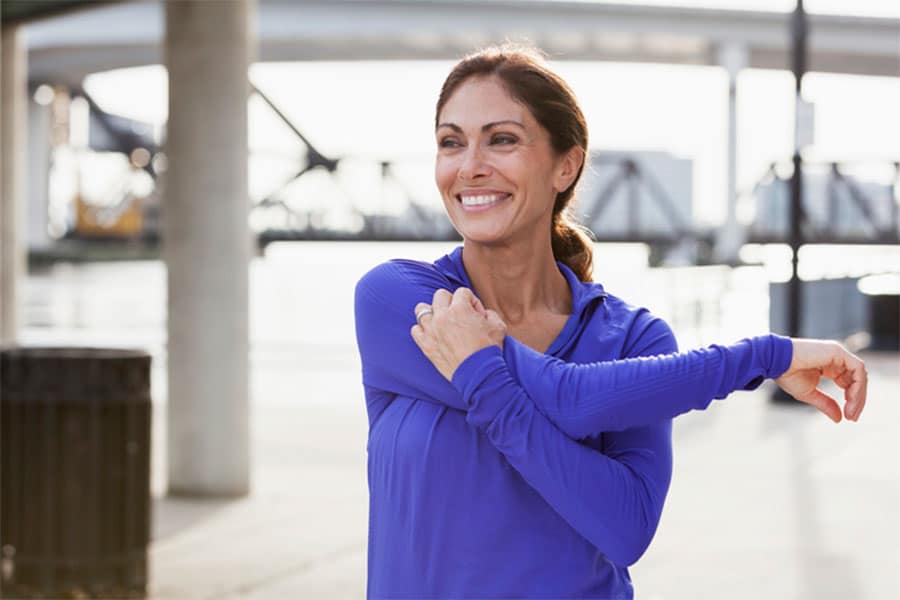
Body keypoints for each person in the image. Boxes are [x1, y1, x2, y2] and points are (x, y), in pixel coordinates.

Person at [353, 44, 867, 599]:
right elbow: (569, 398)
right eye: (451, 142)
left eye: (501, 139)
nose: (470, 165)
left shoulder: (633, 339)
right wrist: (766, 356)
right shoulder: (401, 302)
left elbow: (625, 530)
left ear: (565, 165)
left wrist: (481, 375)